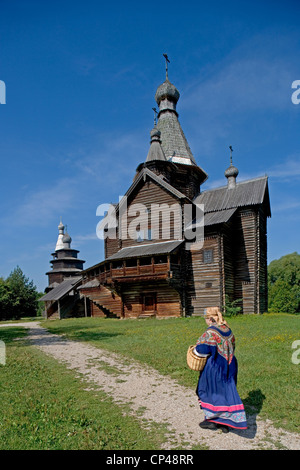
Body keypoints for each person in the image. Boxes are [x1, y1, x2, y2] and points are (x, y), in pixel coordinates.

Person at [194, 306, 247, 433]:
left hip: (215, 367)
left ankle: (211, 420)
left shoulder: (210, 333)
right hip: (230, 365)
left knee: (208, 391)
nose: (205, 321)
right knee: (225, 392)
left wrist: (194, 349)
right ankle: (225, 423)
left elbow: (201, 350)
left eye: (206, 318)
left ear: (210, 319)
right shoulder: (228, 329)